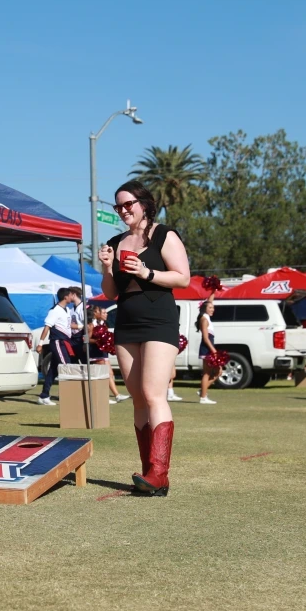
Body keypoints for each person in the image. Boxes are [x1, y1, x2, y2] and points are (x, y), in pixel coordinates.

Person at [98, 180, 191, 497]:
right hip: (126, 319)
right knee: (138, 397)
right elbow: (110, 293)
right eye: (118, 206)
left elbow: (183, 277)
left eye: (128, 204)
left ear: (144, 204)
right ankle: (149, 473)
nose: (124, 210)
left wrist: (146, 273)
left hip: (159, 318)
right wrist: (108, 267)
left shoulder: (164, 234)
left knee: (154, 394)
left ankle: (159, 474)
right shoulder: (115, 241)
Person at [36, 288, 75, 405]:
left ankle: (44, 396)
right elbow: (47, 327)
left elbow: (67, 325)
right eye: (71, 295)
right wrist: (40, 344)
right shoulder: (54, 311)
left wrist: (81, 326)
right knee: (66, 366)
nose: (72, 297)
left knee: (53, 370)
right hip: (58, 341)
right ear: (65, 297)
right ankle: (68, 395)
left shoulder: (67, 310)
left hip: (66, 341)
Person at [86, 304, 128, 403]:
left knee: (109, 373)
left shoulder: (102, 324)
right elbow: (86, 339)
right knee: (103, 374)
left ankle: (116, 395)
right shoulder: (90, 324)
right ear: (94, 313)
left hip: (102, 351)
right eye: (99, 311)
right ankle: (107, 396)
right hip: (95, 352)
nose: (101, 313)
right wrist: (99, 341)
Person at [196, 298, 219, 404]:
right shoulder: (204, 320)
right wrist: (213, 350)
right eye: (210, 307)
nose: (212, 309)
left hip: (209, 348)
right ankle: (203, 397)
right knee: (207, 372)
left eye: (213, 307)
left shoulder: (207, 318)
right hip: (207, 348)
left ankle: (203, 391)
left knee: (218, 371)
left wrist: (214, 288)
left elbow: (210, 299)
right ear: (204, 309)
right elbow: (205, 338)